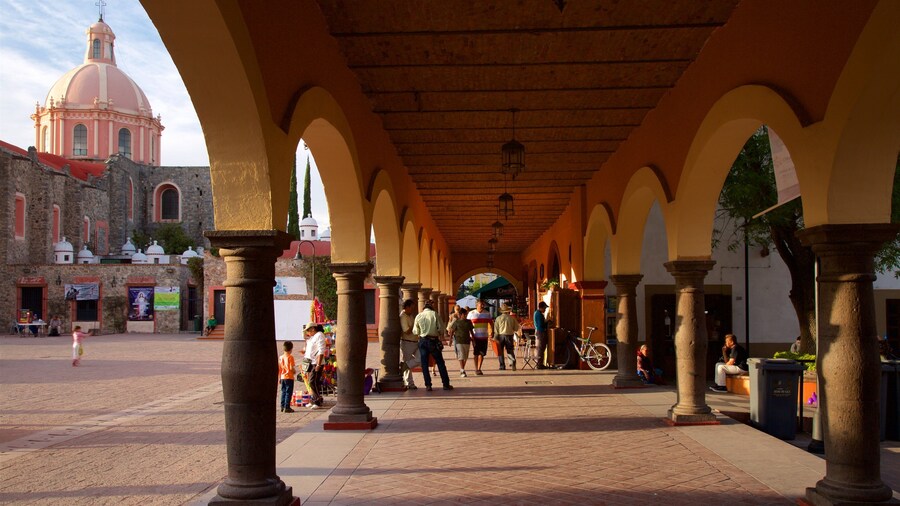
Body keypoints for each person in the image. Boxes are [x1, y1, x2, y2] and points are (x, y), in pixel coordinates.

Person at [413, 300, 452, 391]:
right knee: (440, 362)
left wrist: (422, 332)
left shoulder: (419, 316)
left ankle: (428, 385)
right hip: (433, 341)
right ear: (431, 308)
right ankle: (446, 384)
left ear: (424, 308)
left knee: (424, 364)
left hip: (422, 341)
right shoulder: (435, 314)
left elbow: (415, 331)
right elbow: (441, 329)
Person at [302, 322, 327, 408]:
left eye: (308, 331)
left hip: (316, 362)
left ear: (313, 329)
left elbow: (321, 350)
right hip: (310, 362)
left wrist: (318, 364)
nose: (308, 333)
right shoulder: (313, 337)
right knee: (311, 382)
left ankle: (317, 401)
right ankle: (313, 399)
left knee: (313, 381)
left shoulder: (319, 335)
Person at [466, 299, 493, 375]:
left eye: (483, 304)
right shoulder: (471, 313)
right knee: (476, 353)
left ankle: (479, 368)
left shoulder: (487, 313)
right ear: (476, 305)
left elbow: (491, 323)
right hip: (475, 337)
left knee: (482, 353)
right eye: (481, 304)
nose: (482, 306)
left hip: (484, 336)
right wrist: (468, 334)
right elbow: (467, 324)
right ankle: (476, 368)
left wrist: (492, 332)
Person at [493, 303, 521, 371]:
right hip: (509, 336)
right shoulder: (512, 318)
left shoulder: (498, 318)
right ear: (508, 311)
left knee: (500, 351)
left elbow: (496, 330)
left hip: (500, 336)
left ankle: (502, 366)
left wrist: (495, 338)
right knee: (510, 350)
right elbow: (516, 328)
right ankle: (512, 362)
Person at [398, 299, 419, 390]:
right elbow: (406, 331)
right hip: (407, 342)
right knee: (408, 362)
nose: (413, 309)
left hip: (415, 341)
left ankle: (405, 365)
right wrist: (415, 325)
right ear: (407, 307)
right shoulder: (403, 316)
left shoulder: (410, 315)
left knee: (420, 358)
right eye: (412, 307)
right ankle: (410, 383)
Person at [448, 306, 475, 377]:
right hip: (459, 340)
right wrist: (450, 340)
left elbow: (471, 331)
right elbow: (452, 331)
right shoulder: (456, 322)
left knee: (465, 356)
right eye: (464, 314)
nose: (465, 315)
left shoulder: (469, 322)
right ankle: (462, 370)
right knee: (461, 356)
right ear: (460, 315)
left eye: (466, 314)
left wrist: (473, 340)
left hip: (467, 340)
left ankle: (462, 369)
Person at [278, 341, 296, 413]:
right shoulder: (290, 357)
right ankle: (287, 407)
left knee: (283, 392)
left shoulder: (281, 357)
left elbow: (279, 368)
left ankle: (282, 406)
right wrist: (294, 371)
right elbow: (291, 367)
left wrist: (279, 378)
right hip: (289, 377)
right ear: (291, 349)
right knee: (289, 392)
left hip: (282, 377)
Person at [533, 301, 549, 369]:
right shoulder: (539, 314)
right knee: (540, 348)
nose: (545, 310)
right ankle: (539, 364)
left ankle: (539, 363)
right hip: (541, 332)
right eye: (544, 308)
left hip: (538, 331)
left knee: (540, 348)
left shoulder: (536, 313)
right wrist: (546, 322)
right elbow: (540, 325)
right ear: (541, 307)